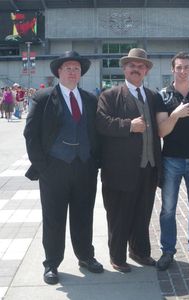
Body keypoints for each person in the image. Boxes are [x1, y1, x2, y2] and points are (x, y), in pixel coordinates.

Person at [23, 51, 103, 285]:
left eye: (76, 68)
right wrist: (42, 166)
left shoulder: (90, 99)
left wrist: (96, 161)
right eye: (67, 67)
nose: (72, 71)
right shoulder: (43, 97)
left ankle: (86, 256)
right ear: (59, 72)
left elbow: (97, 133)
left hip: (85, 168)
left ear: (81, 73)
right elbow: (31, 134)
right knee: (54, 218)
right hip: (54, 169)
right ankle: (51, 263)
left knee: (83, 215)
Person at [96, 48, 162, 273]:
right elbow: (101, 124)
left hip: (148, 167)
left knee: (142, 214)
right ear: (124, 68)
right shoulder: (110, 95)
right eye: (132, 65)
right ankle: (117, 256)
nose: (136, 69)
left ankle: (140, 251)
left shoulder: (152, 96)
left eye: (141, 66)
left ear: (146, 71)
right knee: (119, 215)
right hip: (120, 170)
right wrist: (129, 126)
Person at [155, 52, 189, 271]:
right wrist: (176, 114)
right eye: (178, 67)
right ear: (173, 70)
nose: (182, 70)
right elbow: (161, 131)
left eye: (186, 67)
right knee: (168, 209)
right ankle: (168, 251)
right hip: (171, 160)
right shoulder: (164, 96)